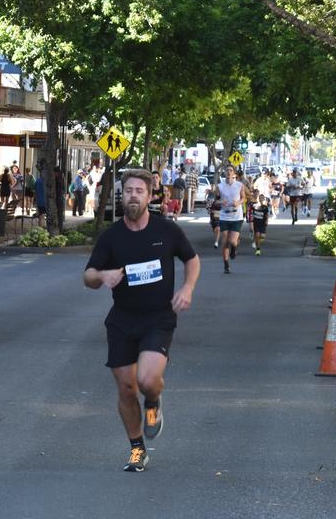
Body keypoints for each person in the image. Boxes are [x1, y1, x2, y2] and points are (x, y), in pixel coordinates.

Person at [83, 169, 199, 472]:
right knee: (125, 388)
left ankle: (154, 402)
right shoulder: (111, 236)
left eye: (139, 191)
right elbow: (88, 275)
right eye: (128, 190)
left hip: (158, 318)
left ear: (149, 196)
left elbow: (191, 258)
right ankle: (137, 450)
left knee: (147, 380)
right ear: (123, 195)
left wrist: (187, 288)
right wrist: (102, 275)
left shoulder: (166, 231)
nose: (133, 195)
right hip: (122, 319)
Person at [217, 166, 246, 274]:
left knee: (232, 241)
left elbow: (243, 198)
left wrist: (237, 203)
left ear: (234, 173)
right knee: (225, 241)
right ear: (224, 172)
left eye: (230, 170)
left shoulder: (239, 185)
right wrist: (220, 202)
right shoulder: (220, 186)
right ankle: (226, 264)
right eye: (227, 170)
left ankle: (234, 248)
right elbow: (215, 200)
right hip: (224, 215)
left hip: (236, 216)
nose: (228, 172)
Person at [206, 182, 222, 248]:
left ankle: (216, 242)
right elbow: (208, 207)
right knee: (215, 229)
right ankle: (216, 239)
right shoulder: (211, 195)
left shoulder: (223, 196)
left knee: (218, 228)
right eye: (217, 189)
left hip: (221, 216)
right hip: (213, 216)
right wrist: (212, 211)